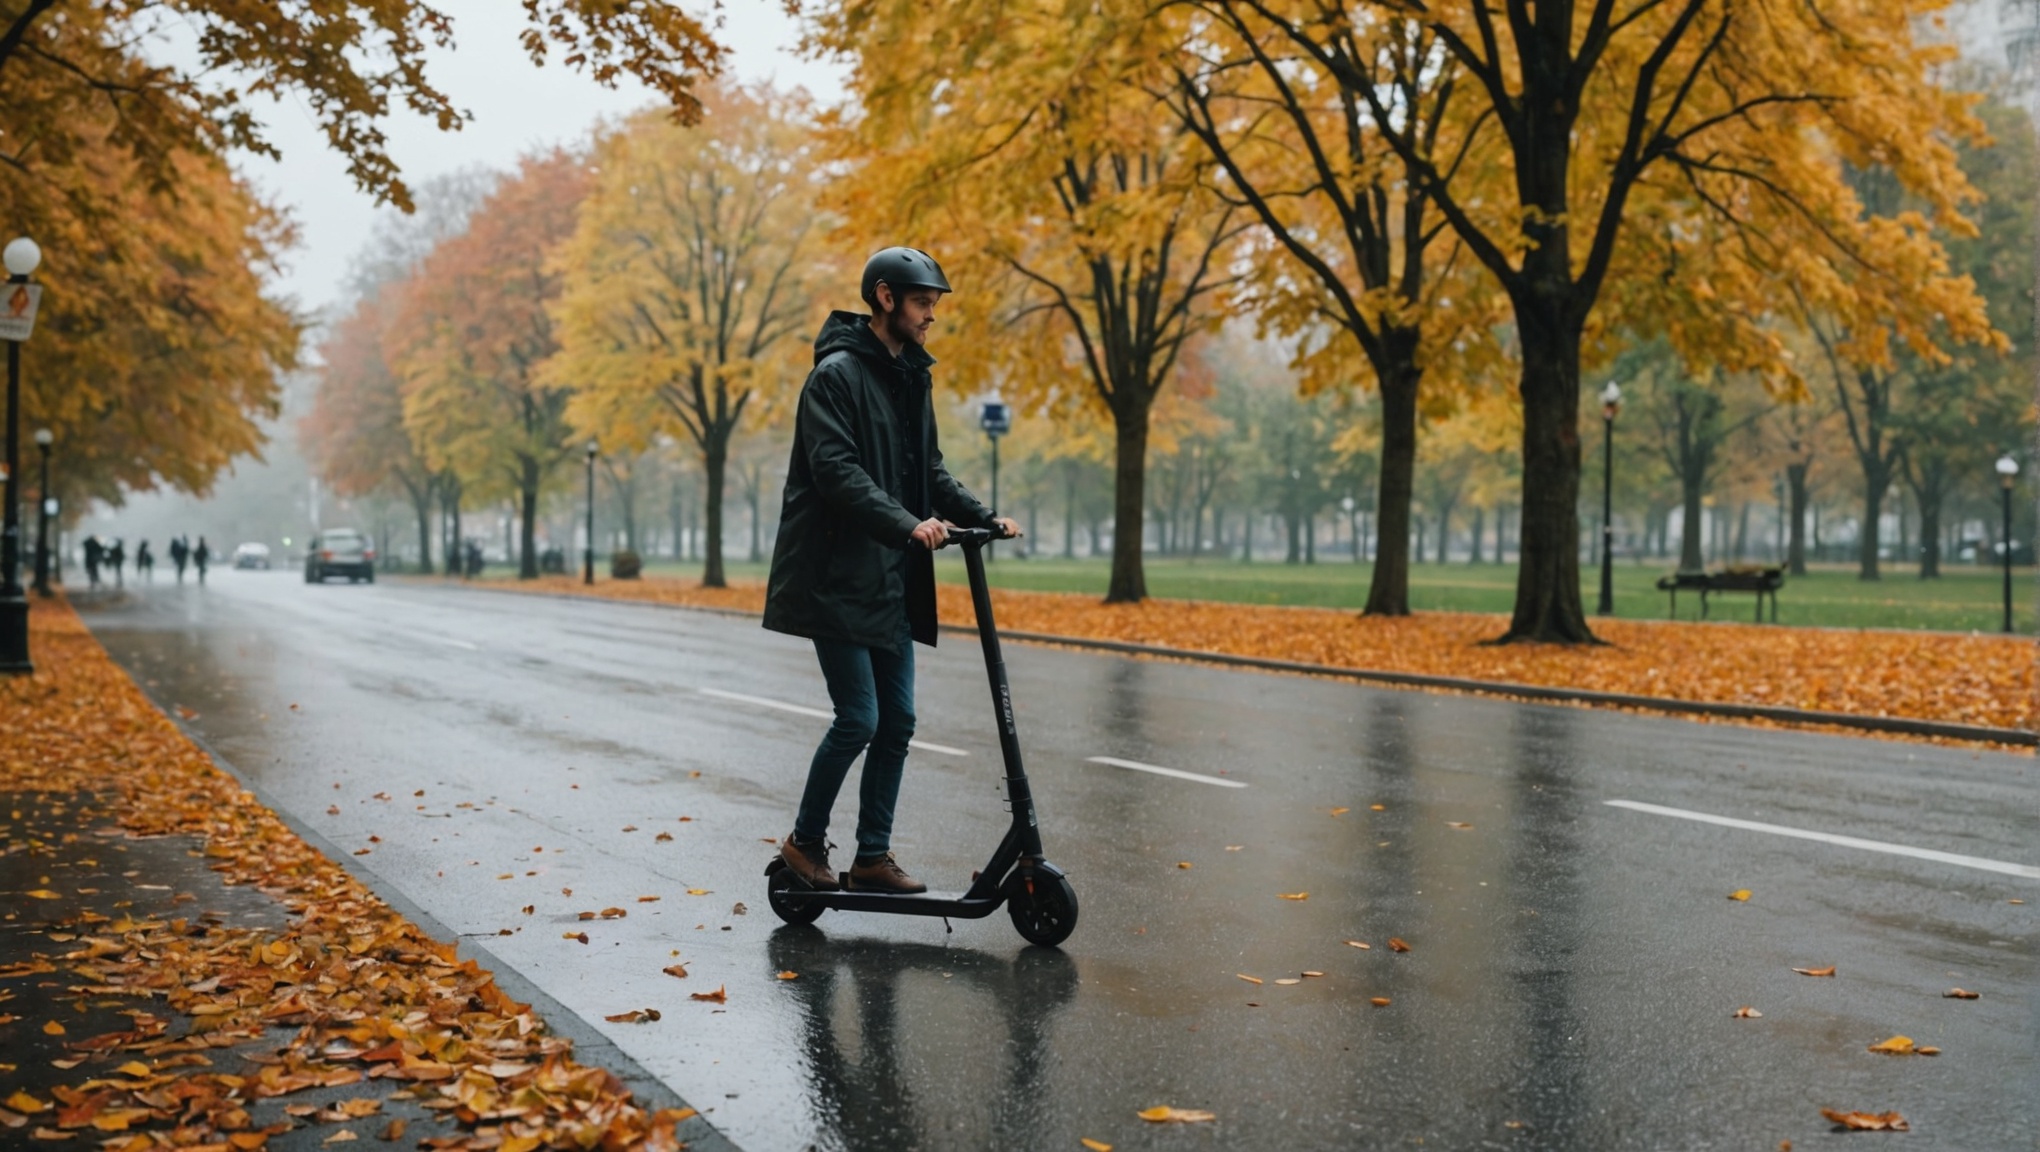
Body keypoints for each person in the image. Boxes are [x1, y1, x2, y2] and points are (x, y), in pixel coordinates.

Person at [763, 247, 1018, 895]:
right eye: (923, 303)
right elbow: (836, 471)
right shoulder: (836, 377)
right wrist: (906, 524)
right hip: (834, 574)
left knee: (898, 721)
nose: (931, 315)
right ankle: (804, 843)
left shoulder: (911, 376)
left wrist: (985, 517)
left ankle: (872, 856)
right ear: (885, 298)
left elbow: (926, 471)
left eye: (933, 304)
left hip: (888, 578)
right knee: (860, 718)